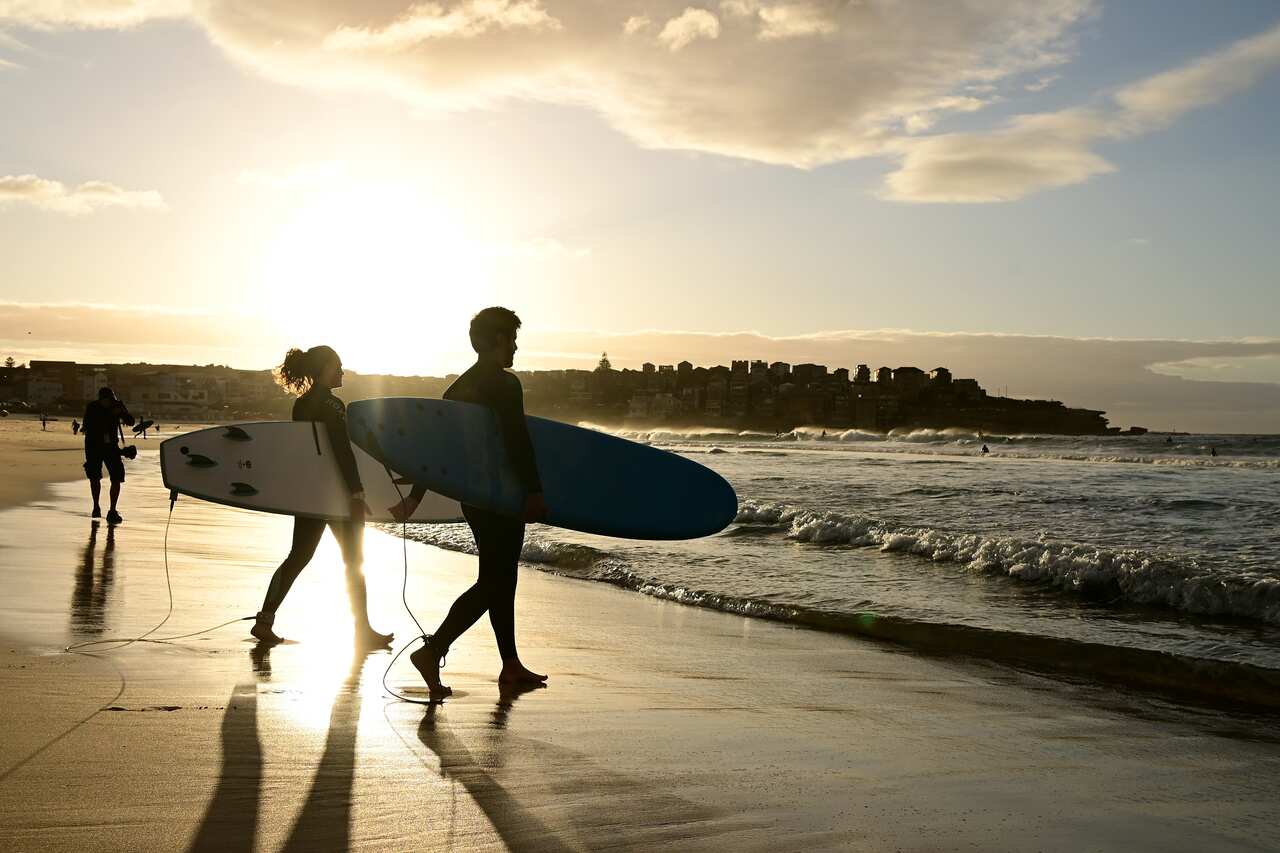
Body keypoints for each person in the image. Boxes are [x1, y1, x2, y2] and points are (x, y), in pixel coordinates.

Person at [390, 307, 548, 699]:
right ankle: (433, 650)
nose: (514, 347)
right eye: (511, 339)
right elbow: (517, 440)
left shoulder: (456, 390)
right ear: (497, 340)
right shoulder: (505, 385)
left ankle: (510, 663)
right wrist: (534, 490)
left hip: (475, 499)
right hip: (503, 495)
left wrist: (414, 495)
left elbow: (439, 454)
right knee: (495, 581)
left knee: (501, 579)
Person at [250, 346, 393, 649]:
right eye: (338, 365)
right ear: (324, 368)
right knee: (354, 560)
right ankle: (362, 630)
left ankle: (264, 621)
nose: (342, 370)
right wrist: (356, 491)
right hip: (336, 494)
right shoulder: (333, 404)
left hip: (310, 493)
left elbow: (310, 452)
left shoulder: (302, 404)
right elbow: (341, 449)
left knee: (298, 556)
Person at [82, 387, 135, 524]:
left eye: (109, 400)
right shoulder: (92, 407)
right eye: (105, 400)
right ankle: (96, 506)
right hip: (93, 445)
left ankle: (112, 510)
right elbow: (87, 425)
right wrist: (111, 414)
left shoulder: (117, 405)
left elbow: (130, 421)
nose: (107, 402)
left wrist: (122, 411)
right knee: (94, 477)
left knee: (117, 477)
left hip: (111, 445)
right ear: (100, 399)